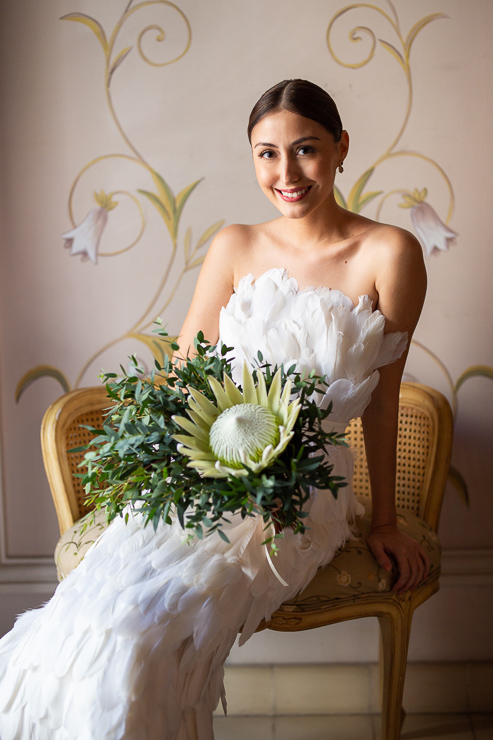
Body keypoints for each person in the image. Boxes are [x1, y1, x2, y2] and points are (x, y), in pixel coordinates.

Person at [0, 79, 428, 740]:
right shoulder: (233, 244)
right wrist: (155, 475)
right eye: (265, 154)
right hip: (202, 464)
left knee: (151, 628)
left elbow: (383, 398)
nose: (285, 173)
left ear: (341, 148)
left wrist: (385, 520)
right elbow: (183, 376)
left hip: (299, 487)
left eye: (306, 149)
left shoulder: (388, 252)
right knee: (94, 618)